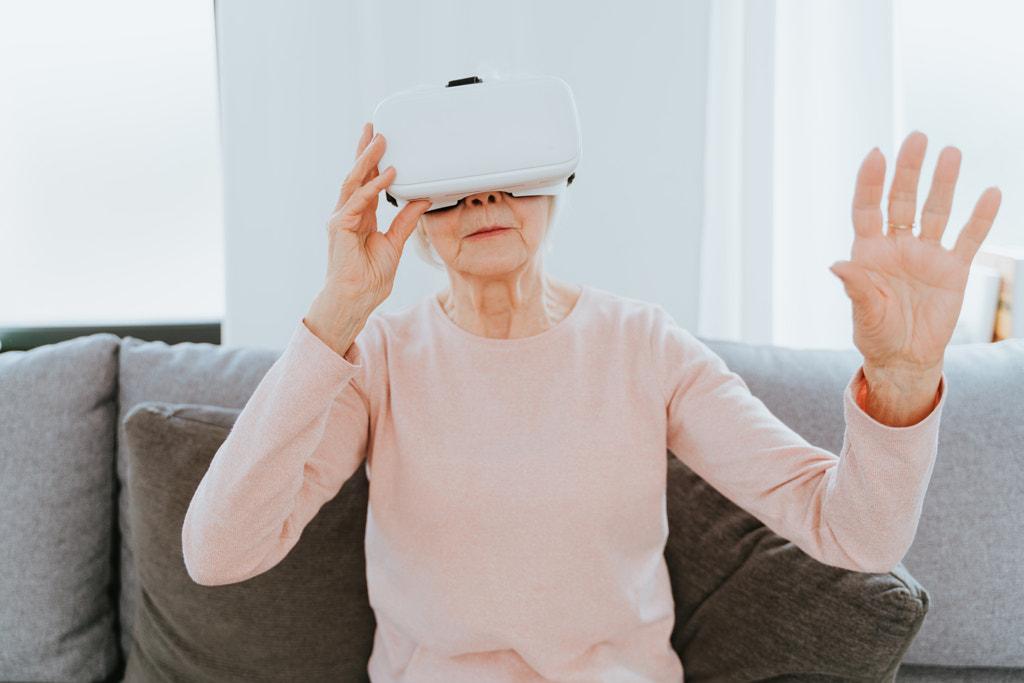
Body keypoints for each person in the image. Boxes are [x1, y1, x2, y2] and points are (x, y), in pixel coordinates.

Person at [182, 122, 1001, 682]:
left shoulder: (644, 345)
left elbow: (854, 531)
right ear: (412, 215)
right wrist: (336, 314)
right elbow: (216, 551)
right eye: (456, 184)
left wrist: (900, 383)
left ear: (556, 181)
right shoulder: (381, 360)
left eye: (510, 171)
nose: (485, 196)